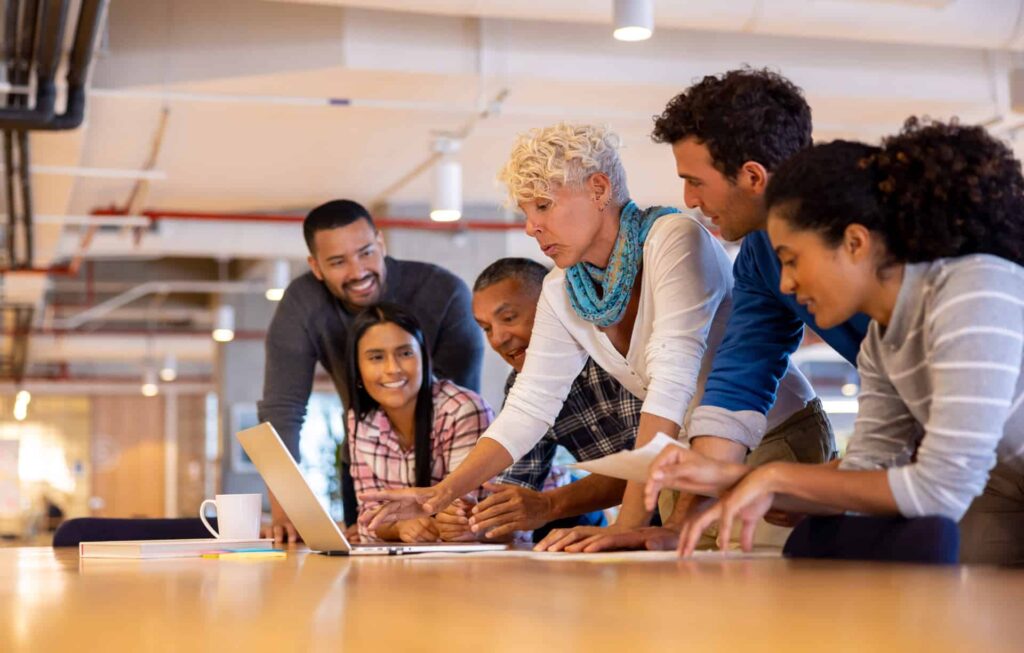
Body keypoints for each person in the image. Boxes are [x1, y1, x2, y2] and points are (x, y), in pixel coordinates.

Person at [358, 122, 815, 546]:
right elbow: (530, 406)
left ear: (598, 189)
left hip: (771, 439)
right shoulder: (561, 288)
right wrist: (442, 492)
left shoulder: (674, 238)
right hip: (679, 462)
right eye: (526, 211)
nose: (531, 226)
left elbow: (671, 384)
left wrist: (629, 528)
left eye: (543, 205)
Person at [654, 120, 1024, 564]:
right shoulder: (881, 345)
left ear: (854, 242)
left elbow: (939, 488)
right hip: (997, 477)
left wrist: (774, 478)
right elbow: (870, 465)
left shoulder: (973, 290)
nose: (786, 285)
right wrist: (737, 477)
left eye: (792, 260)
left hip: (979, 477)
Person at [577, 68, 865, 554]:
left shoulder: (885, 240)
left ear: (753, 177)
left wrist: (784, 481)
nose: (688, 201)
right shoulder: (757, 255)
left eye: (695, 182)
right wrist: (681, 516)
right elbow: (740, 377)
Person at [257, 199, 484, 543]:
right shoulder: (303, 305)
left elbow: (460, 408)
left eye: (366, 253)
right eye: (337, 262)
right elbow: (282, 411)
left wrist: (438, 513)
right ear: (315, 267)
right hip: (370, 455)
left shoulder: (443, 293)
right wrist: (286, 514)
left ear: (381, 242)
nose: (358, 271)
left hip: (445, 460)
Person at [434, 257, 643, 543]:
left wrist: (547, 506)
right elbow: (515, 487)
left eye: (508, 318)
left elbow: (645, 467)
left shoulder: (613, 354)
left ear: (551, 306)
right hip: (635, 525)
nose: (498, 339)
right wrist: (479, 522)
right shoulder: (520, 386)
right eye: (486, 328)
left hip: (689, 504)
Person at [346, 303, 494, 542]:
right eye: (376, 357)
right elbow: (367, 517)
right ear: (357, 369)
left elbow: (464, 518)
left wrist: (398, 524)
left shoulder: (461, 410)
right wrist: (400, 528)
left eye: (405, 353)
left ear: (424, 357)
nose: (392, 369)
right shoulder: (361, 419)